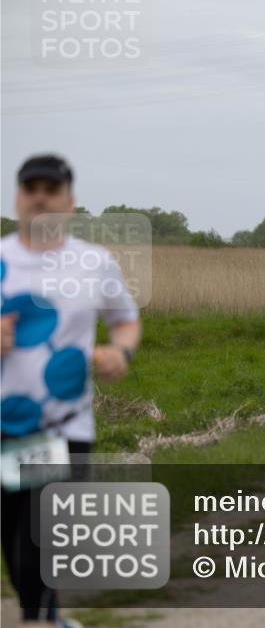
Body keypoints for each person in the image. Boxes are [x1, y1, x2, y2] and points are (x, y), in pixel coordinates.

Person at [1, 154, 141, 627]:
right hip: (6, 426)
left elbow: (125, 320)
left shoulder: (95, 262)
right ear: (19, 197)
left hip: (65, 425)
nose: (40, 196)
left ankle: (36, 620)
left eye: (51, 189)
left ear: (69, 202)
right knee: (15, 540)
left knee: (42, 535)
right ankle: (46, 614)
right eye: (31, 187)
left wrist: (120, 353)